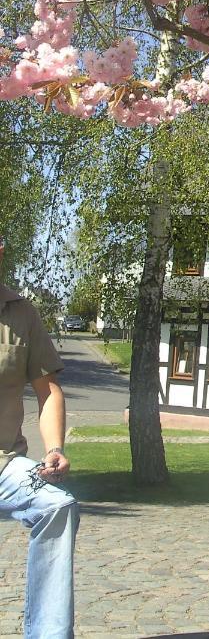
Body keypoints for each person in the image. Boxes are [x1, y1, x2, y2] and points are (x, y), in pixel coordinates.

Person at [0, 236, 79, 639]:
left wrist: (54, 449)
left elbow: (48, 392)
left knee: (57, 504)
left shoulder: (21, 313)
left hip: (4, 464)